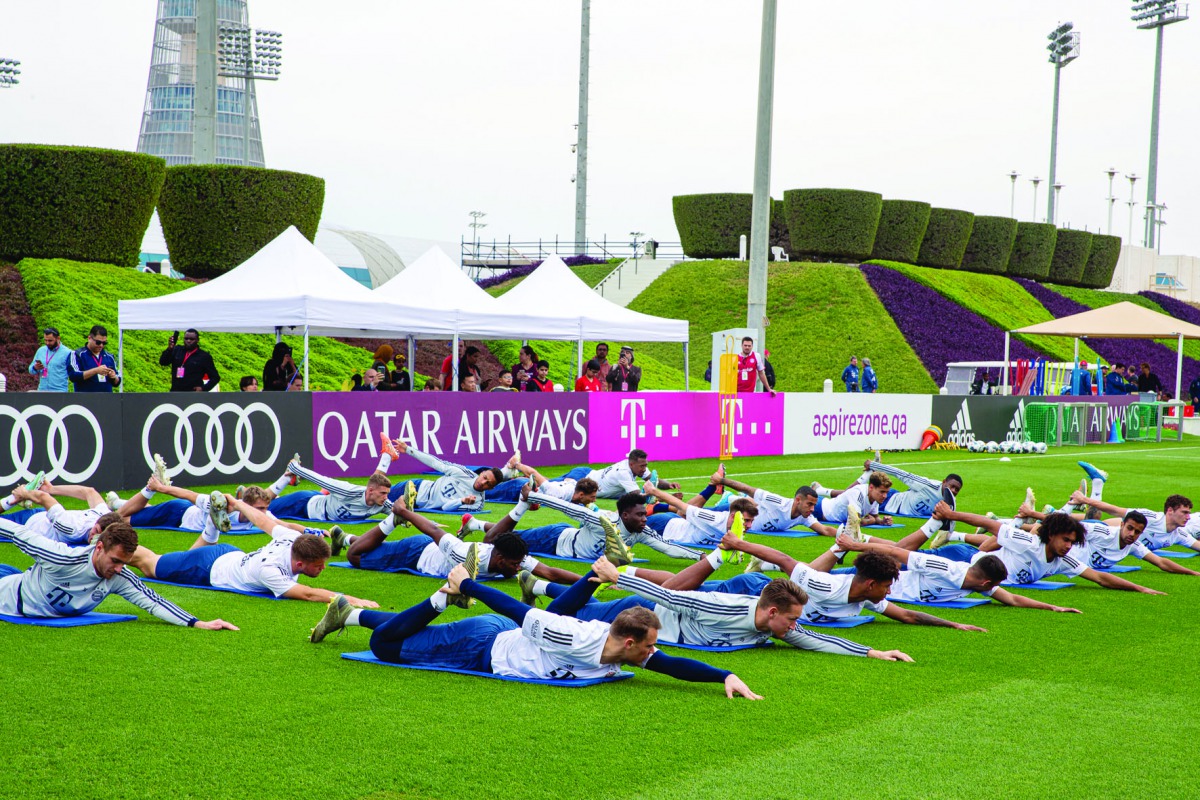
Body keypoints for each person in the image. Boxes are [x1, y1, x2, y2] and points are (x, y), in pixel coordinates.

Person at [308, 563, 762, 698]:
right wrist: (466, 584)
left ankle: (347, 614)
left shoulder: (622, 647)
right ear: (629, 643)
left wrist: (724, 677)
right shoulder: (582, 641)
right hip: (481, 646)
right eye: (649, 646)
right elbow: (518, 610)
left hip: (501, 635)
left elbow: (675, 666)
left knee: (400, 639)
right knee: (385, 647)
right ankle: (440, 598)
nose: (653, 654)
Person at [524, 556, 913, 661]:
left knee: (580, 609)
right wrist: (617, 575)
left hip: (657, 618)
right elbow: (674, 596)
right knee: (563, 618)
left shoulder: (779, 624)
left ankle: (538, 585)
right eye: (792, 618)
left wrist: (874, 651)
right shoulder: (727, 608)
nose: (797, 626)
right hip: (642, 614)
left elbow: (815, 639)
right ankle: (537, 584)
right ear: (772, 613)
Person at [126, 497, 378, 607]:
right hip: (206, 568)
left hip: (231, 554)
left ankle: (211, 528)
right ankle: (111, 541)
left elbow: (263, 521)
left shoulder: (293, 538)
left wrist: (238, 504)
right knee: (149, 564)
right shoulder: (270, 572)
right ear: (300, 563)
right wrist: (351, 600)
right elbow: (310, 595)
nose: (323, 569)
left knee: (180, 557)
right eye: (319, 565)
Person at [0, 517, 236, 629]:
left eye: (125, 562)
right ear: (99, 547)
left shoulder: (119, 577)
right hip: (9, 595)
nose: (119, 569)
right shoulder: (62, 557)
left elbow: (153, 601)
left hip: (30, 583)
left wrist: (197, 623)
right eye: (114, 561)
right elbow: (16, 532)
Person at [717, 535, 986, 631]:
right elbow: (784, 559)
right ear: (870, 584)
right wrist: (737, 543)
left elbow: (906, 615)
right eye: (886, 586)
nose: (890, 591)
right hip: (751, 590)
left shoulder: (868, 597)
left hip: (760, 598)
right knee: (680, 589)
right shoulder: (828, 586)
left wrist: (953, 623)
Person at [915, 505, 1166, 594]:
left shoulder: (1063, 560)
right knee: (904, 559)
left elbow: (1099, 577)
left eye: (1072, 542)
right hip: (965, 559)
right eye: (1066, 540)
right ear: (1052, 536)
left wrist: (1140, 587)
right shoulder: (1030, 542)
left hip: (974, 576)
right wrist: (950, 514)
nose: (1069, 546)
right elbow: (988, 523)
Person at [340, 499, 580, 589]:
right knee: (355, 557)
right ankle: (394, 518)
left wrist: (593, 580)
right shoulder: (464, 553)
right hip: (416, 554)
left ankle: (342, 537)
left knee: (364, 548)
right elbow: (434, 530)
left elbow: (550, 572)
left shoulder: (513, 555)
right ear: (499, 560)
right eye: (515, 565)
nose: (519, 569)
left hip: (426, 550)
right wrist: (403, 512)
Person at [827, 532, 1082, 613]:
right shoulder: (947, 569)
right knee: (815, 577)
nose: (994, 590)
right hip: (878, 583)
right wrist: (855, 546)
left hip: (891, 592)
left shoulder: (979, 583)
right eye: (993, 585)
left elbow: (1013, 599)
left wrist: (1053, 607)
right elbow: (898, 553)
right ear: (985, 580)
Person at [817, 457, 961, 527]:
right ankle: (867, 475)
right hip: (892, 500)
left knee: (852, 496)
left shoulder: (949, 503)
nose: (953, 491)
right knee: (852, 493)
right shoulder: (927, 485)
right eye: (952, 486)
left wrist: (879, 520)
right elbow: (901, 474)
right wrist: (875, 465)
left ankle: (820, 490)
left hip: (886, 500)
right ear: (944, 482)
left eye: (957, 490)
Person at [266, 445, 395, 522]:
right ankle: (287, 478)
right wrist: (295, 468)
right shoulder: (348, 491)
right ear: (370, 491)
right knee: (262, 508)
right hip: (303, 504)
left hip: (321, 502)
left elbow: (400, 514)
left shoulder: (382, 504)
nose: (385, 497)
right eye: (383, 493)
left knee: (269, 504)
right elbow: (321, 479)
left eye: (387, 494)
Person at [386, 438, 510, 513]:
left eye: (488, 484)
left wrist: (461, 501)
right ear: (482, 473)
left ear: (491, 488)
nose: (483, 483)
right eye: (485, 478)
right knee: (376, 496)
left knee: (377, 504)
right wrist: (408, 450)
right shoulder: (463, 472)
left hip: (418, 503)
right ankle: (386, 456)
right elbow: (436, 463)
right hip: (417, 487)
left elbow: (445, 508)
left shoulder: (477, 504)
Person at [708, 469, 838, 536]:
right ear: (797, 500)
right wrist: (721, 480)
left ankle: (730, 497)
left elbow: (825, 530)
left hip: (747, 523)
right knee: (698, 512)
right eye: (809, 504)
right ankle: (728, 497)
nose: (812, 509)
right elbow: (748, 489)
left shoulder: (804, 517)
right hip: (734, 513)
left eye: (814, 505)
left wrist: (850, 537)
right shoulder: (779, 502)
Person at [66, 325, 121, 392]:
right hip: (84, 399)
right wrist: (96, 371)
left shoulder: (109, 356)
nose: (101, 345)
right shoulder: (77, 354)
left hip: (106, 399)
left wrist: (114, 377)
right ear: (89, 338)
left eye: (104, 343)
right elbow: (73, 376)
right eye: (98, 342)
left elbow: (117, 382)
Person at [28, 326, 70, 392]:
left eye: (50, 341)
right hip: (42, 390)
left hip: (59, 392)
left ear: (58, 338)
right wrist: (35, 368)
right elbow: (31, 370)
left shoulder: (67, 353)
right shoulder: (41, 351)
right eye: (45, 340)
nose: (47, 343)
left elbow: (73, 374)